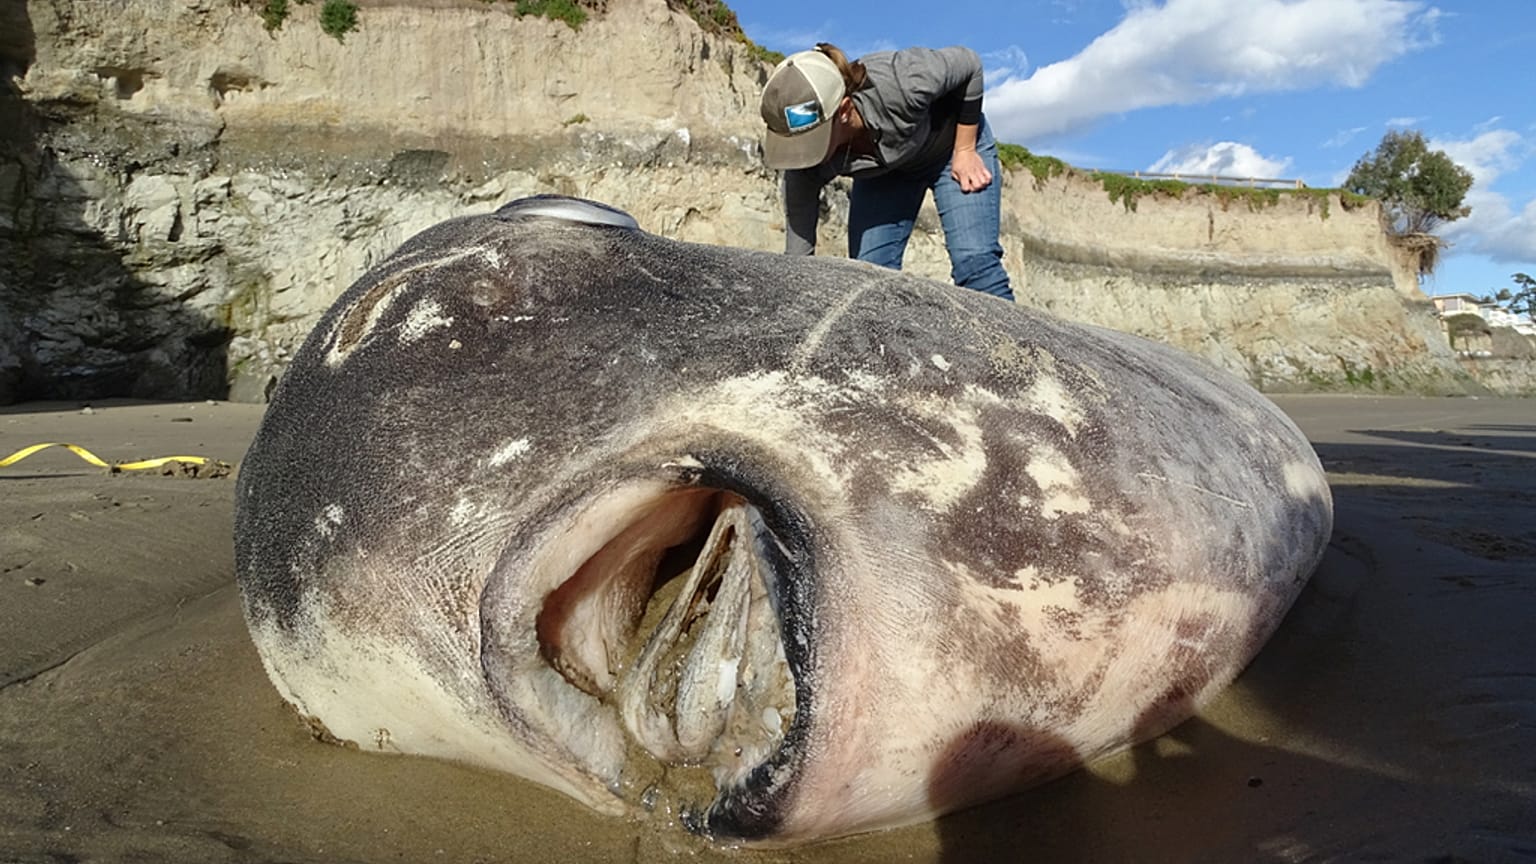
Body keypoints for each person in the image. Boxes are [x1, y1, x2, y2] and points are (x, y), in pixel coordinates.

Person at [759, 43, 1014, 302]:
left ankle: (1017, 343)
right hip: (886, 174)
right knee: (868, 280)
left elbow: (969, 64)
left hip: (949, 150)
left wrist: (965, 148)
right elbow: (798, 260)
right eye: (794, 144)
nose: (803, 154)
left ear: (844, 111)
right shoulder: (804, 168)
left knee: (975, 264)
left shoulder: (901, 80)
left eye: (811, 141)